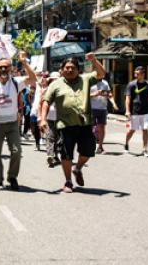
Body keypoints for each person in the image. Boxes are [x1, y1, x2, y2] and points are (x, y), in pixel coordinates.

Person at [41, 54, 106, 193]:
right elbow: (46, 101)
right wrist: (42, 119)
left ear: (78, 70)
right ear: (62, 69)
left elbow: (101, 73)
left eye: (73, 68)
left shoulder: (86, 79)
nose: (70, 70)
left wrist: (94, 60)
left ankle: (78, 168)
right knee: (66, 155)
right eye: (67, 68)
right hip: (65, 125)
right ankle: (68, 181)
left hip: (85, 124)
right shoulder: (55, 84)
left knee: (87, 152)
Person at [0, 52, 36, 191]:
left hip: (12, 124)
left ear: (11, 69)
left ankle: (12, 177)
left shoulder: (17, 82)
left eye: (6, 67)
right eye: (1, 67)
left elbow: (33, 78)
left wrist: (24, 62)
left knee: (16, 151)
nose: (4, 70)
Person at [124, 66, 148, 157]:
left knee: (145, 129)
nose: (135, 75)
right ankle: (126, 143)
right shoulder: (131, 84)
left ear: (143, 74)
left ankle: (145, 149)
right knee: (132, 130)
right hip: (135, 111)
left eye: (137, 73)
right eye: (135, 73)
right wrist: (127, 111)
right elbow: (128, 98)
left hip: (145, 111)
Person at [90, 76, 118, 154]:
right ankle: (89, 145)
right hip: (91, 108)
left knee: (101, 127)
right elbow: (84, 95)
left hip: (102, 109)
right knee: (90, 128)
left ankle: (100, 147)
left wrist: (114, 103)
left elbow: (109, 94)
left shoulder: (105, 83)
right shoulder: (90, 82)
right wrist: (94, 94)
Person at [39, 72, 61, 167]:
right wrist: (41, 118)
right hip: (49, 118)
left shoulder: (63, 90)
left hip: (61, 119)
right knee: (49, 137)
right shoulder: (46, 91)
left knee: (59, 139)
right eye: (52, 79)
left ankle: (56, 155)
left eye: (56, 79)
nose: (54, 81)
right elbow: (41, 104)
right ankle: (50, 155)